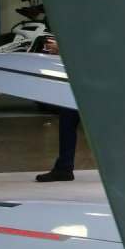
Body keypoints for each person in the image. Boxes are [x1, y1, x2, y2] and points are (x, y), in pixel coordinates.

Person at [33, 36, 82, 181]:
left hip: (95, 80)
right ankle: (64, 168)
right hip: (82, 79)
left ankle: (64, 167)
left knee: (69, 122)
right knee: (67, 121)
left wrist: (63, 48)